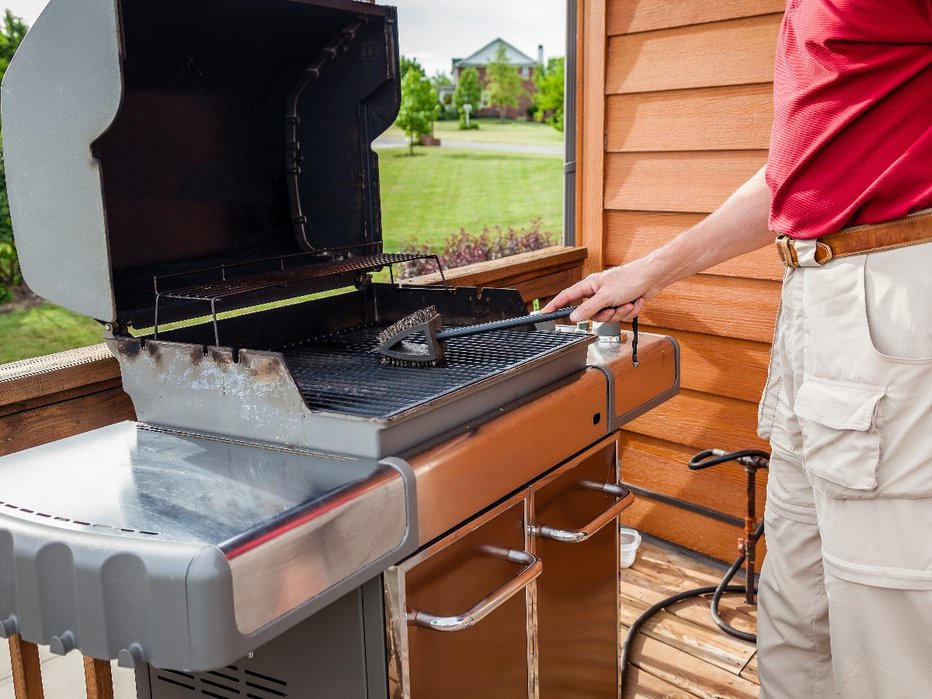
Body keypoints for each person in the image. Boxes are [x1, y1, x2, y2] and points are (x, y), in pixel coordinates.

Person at [542, 1, 932, 696]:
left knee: (889, 645)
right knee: (795, 616)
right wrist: (648, 271)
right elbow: (795, 177)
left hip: (891, 297)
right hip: (813, 298)